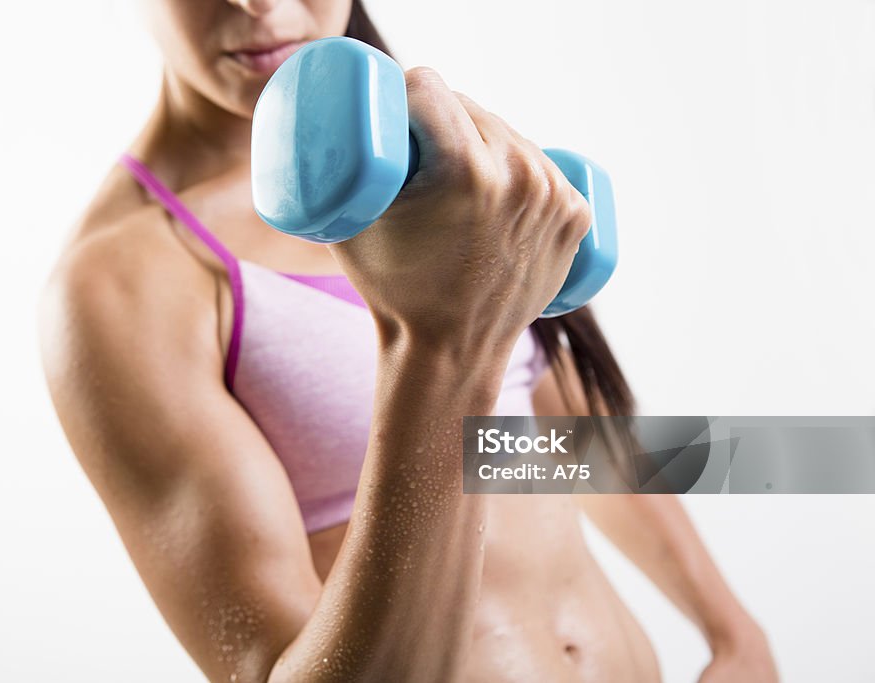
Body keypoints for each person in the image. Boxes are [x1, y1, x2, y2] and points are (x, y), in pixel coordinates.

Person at [39, 1, 779, 680]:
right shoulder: (121, 281)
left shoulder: (436, 154)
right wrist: (440, 344)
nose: (257, 2)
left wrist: (732, 628)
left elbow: (561, 439)